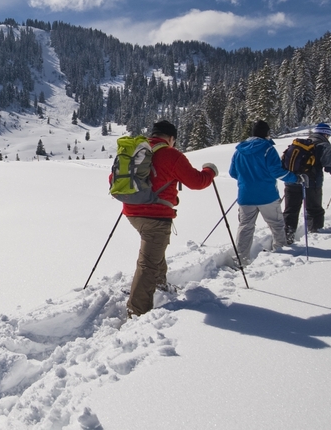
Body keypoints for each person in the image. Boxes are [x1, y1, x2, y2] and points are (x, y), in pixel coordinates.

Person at [121, 120, 217, 318]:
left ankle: (160, 284)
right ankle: (137, 312)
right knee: (147, 263)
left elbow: (114, 178)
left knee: (155, 249)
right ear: (171, 138)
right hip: (155, 216)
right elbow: (197, 182)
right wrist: (210, 171)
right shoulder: (171, 154)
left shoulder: (136, 149)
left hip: (131, 212)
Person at [229, 120, 298, 265]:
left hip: (245, 195)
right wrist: (295, 178)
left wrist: (247, 179)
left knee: (245, 227)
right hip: (267, 195)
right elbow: (276, 171)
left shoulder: (239, 150)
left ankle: (241, 260)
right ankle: (280, 251)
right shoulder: (268, 149)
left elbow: (233, 173)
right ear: (267, 134)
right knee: (276, 224)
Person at [283, 123, 331, 241]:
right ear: (326, 134)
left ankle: (287, 236)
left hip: (291, 182)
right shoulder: (324, 146)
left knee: (291, 211)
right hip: (312, 183)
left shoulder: (298, 145)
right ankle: (315, 235)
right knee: (314, 210)